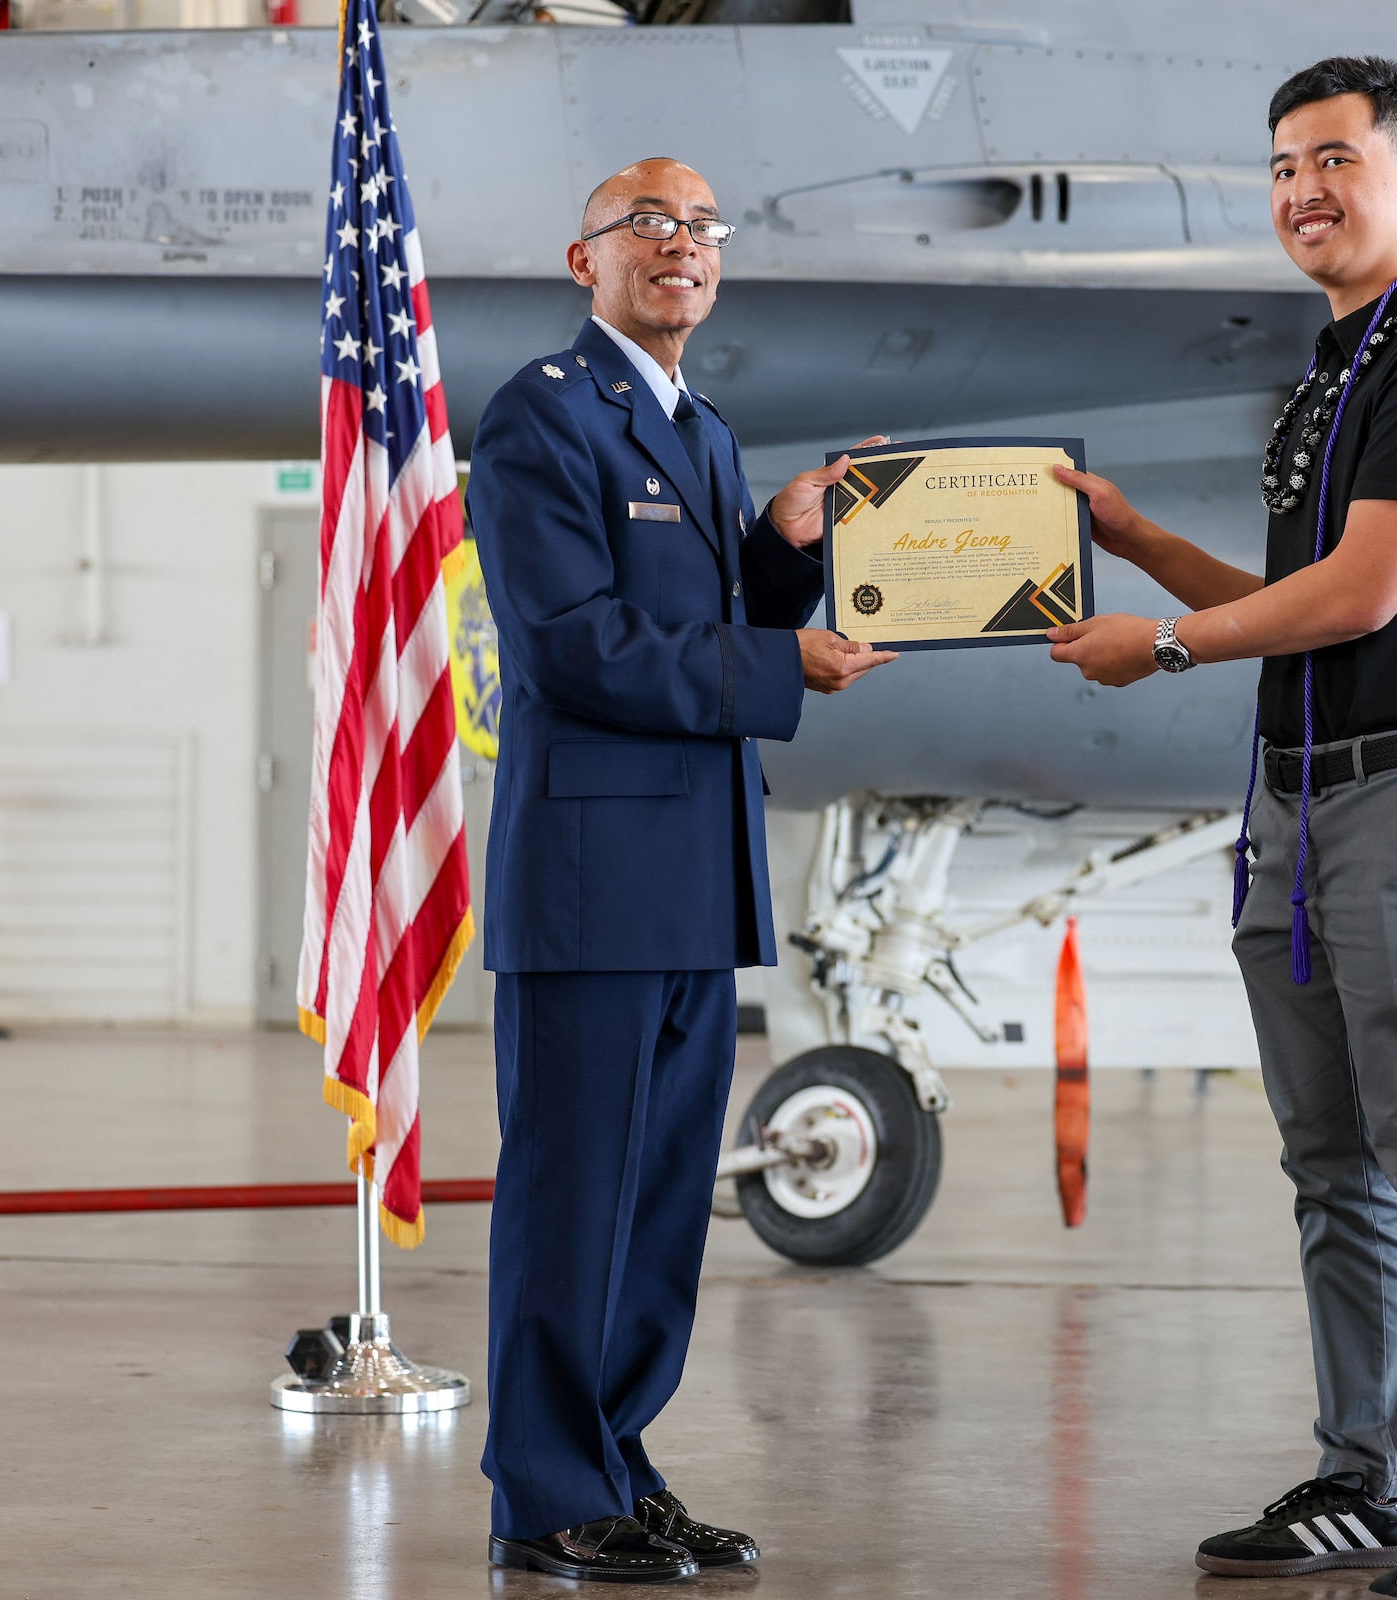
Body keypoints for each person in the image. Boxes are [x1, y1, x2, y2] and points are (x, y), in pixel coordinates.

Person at [1046, 58, 1397, 1600]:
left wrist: (1158, 644)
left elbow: (1363, 597)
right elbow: (1296, 605)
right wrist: (1142, 543)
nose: (1302, 191)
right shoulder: (1337, 367)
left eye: (1335, 160)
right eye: (1284, 165)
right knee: (1335, 1164)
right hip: (1302, 799)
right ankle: (1370, 1478)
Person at [466, 157, 896, 1586]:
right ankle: (544, 1495)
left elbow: (699, 613)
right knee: (573, 1199)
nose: (680, 246)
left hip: (696, 874)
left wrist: (781, 550)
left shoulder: (698, 428)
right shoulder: (543, 413)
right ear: (582, 259)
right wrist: (782, 664)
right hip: (592, 880)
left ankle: (619, 1465)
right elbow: (572, 645)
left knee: (656, 1207)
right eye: (645, 225)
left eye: (702, 228)